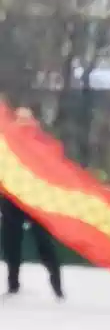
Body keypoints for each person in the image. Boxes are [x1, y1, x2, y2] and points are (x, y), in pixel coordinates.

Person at [0, 109, 63, 300]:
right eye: (20, 120)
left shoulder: (41, 143)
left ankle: (56, 286)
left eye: (26, 120)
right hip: (13, 198)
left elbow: (52, 168)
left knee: (42, 242)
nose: (23, 124)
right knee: (12, 243)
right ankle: (14, 285)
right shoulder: (8, 142)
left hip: (36, 198)